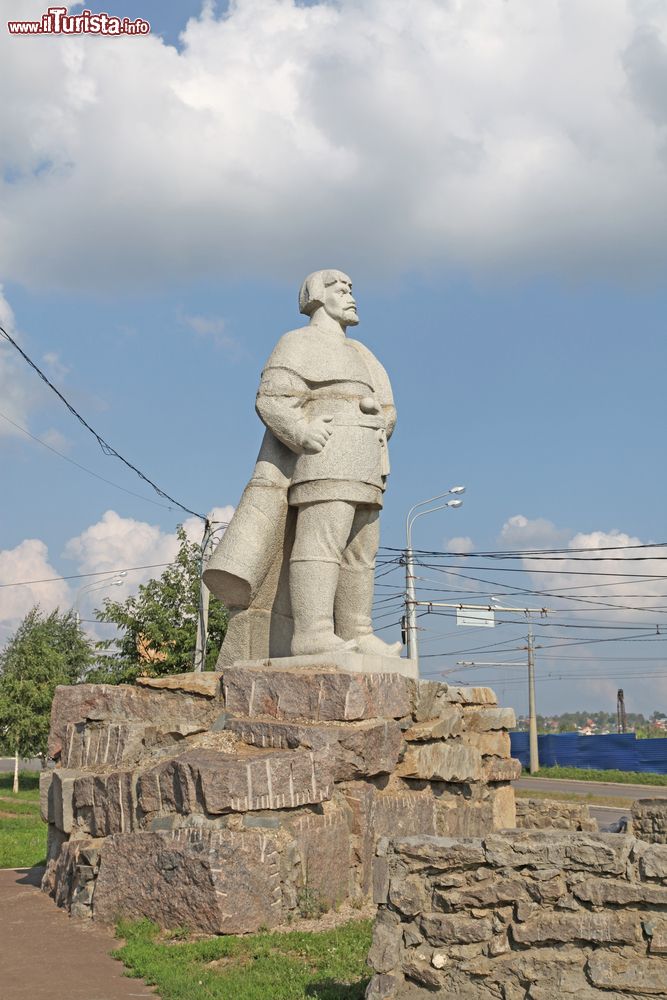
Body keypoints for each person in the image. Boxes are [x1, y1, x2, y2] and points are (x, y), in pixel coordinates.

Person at [204, 269, 401, 662]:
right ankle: (312, 633)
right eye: (339, 288)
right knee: (321, 543)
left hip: (368, 460)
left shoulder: (365, 354)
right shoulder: (296, 343)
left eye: (350, 288)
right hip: (324, 455)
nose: (349, 295)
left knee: (362, 550)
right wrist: (302, 430)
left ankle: (357, 630)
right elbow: (272, 398)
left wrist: (383, 423)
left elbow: (388, 407)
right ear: (316, 295)